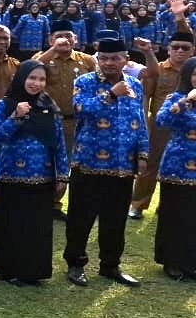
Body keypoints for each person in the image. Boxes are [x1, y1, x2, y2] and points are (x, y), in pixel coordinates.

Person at [64, 36, 147, 288]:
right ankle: (76, 264)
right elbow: (80, 110)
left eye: (115, 58)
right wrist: (110, 94)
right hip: (88, 164)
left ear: (126, 60)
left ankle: (110, 265)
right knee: (81, 216)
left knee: (115, 219)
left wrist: (142, 154)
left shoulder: (135, 84)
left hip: (122, 165)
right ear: (98, 59)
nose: (109, 63)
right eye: (104, 58)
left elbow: (140, 121)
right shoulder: (85, 81)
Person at [0, 60, 68, 285]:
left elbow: (59, 141)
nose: (36, 83)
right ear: (21, 78)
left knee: (38, 226)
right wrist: (15, 116)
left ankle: (34, 271)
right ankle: (9, 269)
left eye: (41, 79)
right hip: (11, 175)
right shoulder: (5, 105)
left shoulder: (49, 105)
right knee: (13, 223)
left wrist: (62, 174)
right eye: (32, 78)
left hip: (43, 175)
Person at [35, 22, 96, 220]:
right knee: (43, 161)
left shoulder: (87, 61)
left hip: (76, 121)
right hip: (46, 119)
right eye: (59, 36)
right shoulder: (41, 57)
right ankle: (38, 201)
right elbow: (31, 71)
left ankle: (54, 204)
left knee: (67, 163)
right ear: (50, 39)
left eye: (69, 36)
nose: (65, 40)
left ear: (76, 39)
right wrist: (53, 50)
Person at [132, 28, 194, 219]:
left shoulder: (193, 70)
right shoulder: (157, 69)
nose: (180, 51)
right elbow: (146, 97)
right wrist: (143, 125)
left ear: (192, 50)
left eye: (185, 48)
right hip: (160, 124)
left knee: (184, 165)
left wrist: (180, 18)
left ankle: (167, 205)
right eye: (176, 47)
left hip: (188, 128)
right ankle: (138, 204)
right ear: (168, 49)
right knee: (150, 165)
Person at [152, 57, 196, 280]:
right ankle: (171, 260)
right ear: (188, 76)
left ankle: (191, 262)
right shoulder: (176, 98)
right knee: (174, 214)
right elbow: (161, 121)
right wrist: (185, 103)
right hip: (177, 166)